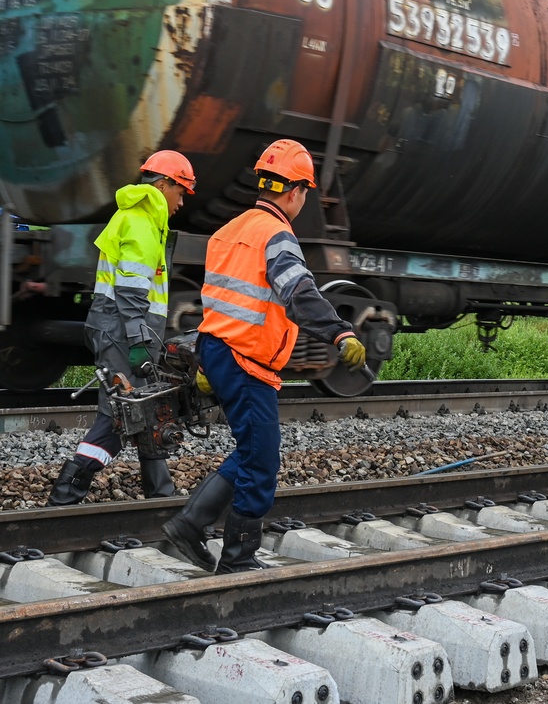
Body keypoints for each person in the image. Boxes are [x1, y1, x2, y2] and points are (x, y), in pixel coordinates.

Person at [163, 139, 366, 573]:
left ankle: (191, 523)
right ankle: (237, 558)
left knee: (251, 449)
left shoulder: (229, 230)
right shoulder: (277, 236)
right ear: (295, 192)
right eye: (305, 193)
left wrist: (206, 359)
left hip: (218, 351)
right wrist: (340, 333)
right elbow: (299, 294)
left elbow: (218, 301)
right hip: (246, 360)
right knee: (262, 460)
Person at [47, 150, 197, 506]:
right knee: (121, 414)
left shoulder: (139, 218)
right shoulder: (141, 222)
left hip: (117, 327)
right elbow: (130, 291)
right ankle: (66, 491)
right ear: (163, 184)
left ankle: (160, 493)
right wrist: (137, 340)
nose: (182, 200)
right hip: (122, 328)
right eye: (181, 190)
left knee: (143, 408)